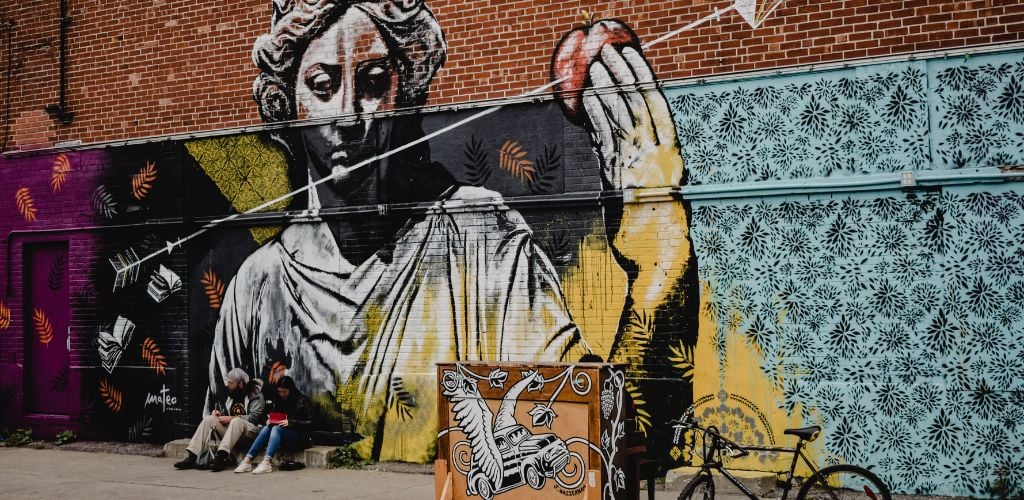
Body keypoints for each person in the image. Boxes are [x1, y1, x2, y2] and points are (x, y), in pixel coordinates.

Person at [206, 0, 692, 462]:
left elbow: (587, 439)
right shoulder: (258, 285)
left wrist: (659, 269)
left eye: (375, 81)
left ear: (408, 89)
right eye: (322, 84)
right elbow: (220, 418)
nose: (350, 115)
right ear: (285, 103)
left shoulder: (479, 236)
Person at [176, 368, 267, 472]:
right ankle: (192, 456)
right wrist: (221, 415)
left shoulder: (256, 396)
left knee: (236, 421)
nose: (227, 385)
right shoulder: (232, 394)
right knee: (210, 419)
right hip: (234, 433)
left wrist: (231, 418)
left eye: (231, 383)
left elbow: (253, 418)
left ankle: (221, 457)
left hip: (252, 435)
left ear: (241, 384)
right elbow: (230, 416)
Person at [234, 376, 313, 474]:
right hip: (281, 435)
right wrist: (269, 420)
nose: (281, 394)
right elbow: (266, 415)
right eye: (280, 391)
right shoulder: (277, 399)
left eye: (284, 392)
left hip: (299, 437)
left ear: (291, 390)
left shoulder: (302, 400)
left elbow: (310, 423)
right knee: (268, 427)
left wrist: (291, 422)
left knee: (276, 428)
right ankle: (247, 460)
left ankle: (267, 462)